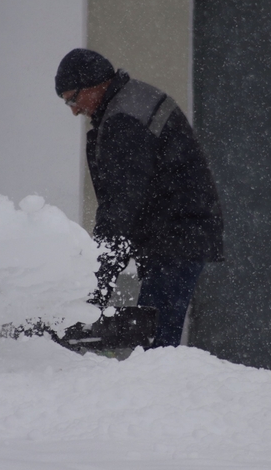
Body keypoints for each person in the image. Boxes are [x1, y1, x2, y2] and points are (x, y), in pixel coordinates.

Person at [55, 48, 224, 347]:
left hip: (178, 237)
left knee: (156, 344)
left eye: (72, 98)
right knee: (154, 337)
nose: (73, 110)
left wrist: (97, 286)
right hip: (179, 233)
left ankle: (159, 392)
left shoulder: (125, 120)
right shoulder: (128, 103)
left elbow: (121, 206)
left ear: (95, 84)